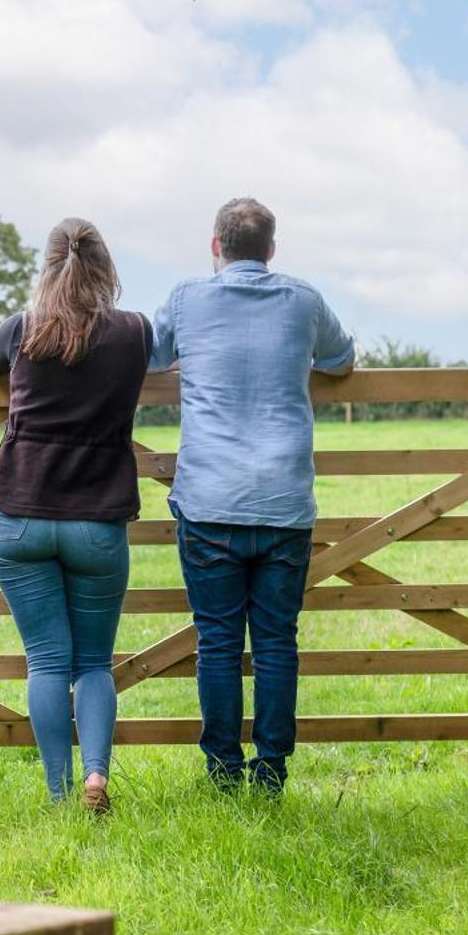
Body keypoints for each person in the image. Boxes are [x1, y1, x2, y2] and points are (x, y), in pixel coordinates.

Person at [150, 197, 354, 796]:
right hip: (284, 501)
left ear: (216, 246)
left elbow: (152, 355)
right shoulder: (305, 300)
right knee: (275, 643)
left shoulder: (188, 299)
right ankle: (271, 773)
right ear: (271, 249)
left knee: (216, 641)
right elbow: (341, 360)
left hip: (209, 498)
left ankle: (222, 774)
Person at [0, 218, 151, 812]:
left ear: (48, 266)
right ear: (106, 269)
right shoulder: (135, 332)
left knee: (47, 661)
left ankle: (56, 794)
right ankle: (96, 779)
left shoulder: (21, 330)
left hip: (19, 512)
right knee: (94, 663)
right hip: (97, 517)